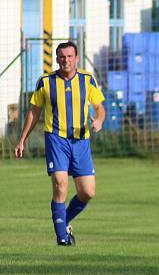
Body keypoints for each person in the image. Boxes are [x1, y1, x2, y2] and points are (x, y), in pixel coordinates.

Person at [14, 41, 105, 246]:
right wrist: (22, 140)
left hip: (81, 142)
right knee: (60, 184)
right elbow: (34, 112)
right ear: (57, 59)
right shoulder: (45, 82)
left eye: (70, 56)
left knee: (88, 192)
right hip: (56, 139)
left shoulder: (87, 80)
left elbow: (99, 107)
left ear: (77, 58)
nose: (66, 60)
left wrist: (99, 120)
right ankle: (62, 239)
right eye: (62, 57)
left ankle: (64, 222)